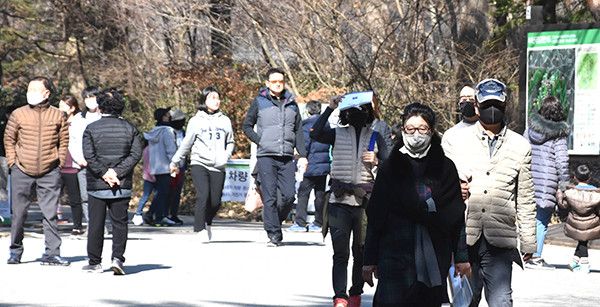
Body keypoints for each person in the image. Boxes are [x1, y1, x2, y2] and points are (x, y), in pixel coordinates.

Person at [442, 78, 537, 307]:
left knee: (502, 301)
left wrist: (529, 242)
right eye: (485, 105)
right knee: (466, 300)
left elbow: (525, 197)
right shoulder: (454, 140)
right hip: (463, 237)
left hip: (500, 238)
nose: (491, 110)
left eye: (496, 104)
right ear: (476, 106)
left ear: (505, 106)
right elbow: (440, 186)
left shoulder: (520, 145)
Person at [362, 103, 466, 306]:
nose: (416, 134)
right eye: (411, 129)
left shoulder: (445, 168)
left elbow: (456, 217)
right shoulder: (390, 169)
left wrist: (462, 257)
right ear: (402, 131)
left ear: (432, 131)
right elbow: (375, 217)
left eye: (422, 129)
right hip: (394, 254)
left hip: (435, 255)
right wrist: (369, 260)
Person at [310, 94, 390, 307]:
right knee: (341, 252)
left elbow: (391, 166)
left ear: (368, 112)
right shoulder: (337, 134)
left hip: (364, 203)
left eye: (363, 110)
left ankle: (355, 293)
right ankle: (340, 297)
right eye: (352, 110)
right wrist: (330, 108)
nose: (357, 114)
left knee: (360, 251)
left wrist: (377, 160)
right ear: (345, 113)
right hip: (339, 200)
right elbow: (315, 133)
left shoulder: (375, 137)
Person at [5, 76, 70, 265]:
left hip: (50, 170)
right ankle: (15, 251)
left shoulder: (58, 115)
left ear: (46, 93)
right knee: (19, 213)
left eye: (35, 89)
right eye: (29, 89)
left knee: (50, 213)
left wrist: (60, 163)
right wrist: (13, 163)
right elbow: (9, 139)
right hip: (22, 170)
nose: (30, 93)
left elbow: (63, 141)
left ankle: (51, 253)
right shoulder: (18, 113)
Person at [242, 68, 308, 246]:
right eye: (274, 81)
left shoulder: (292, 103)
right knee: (270, 196)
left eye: (281, 81)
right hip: (266, 156)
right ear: (267, 83)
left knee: (288, 196)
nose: (278, 84)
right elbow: (246, 126)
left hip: (286, 156)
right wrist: (260, 141)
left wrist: (302, 155)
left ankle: (274, 223)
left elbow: (298, 131)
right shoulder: (259, 102)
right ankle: (273, 233)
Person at [81, 88, 142, 274]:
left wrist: (104, 173)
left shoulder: (91, 129)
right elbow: (135, 154)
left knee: (96, 224)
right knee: (120, 223)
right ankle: (117, 258)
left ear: (99, 108)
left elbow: (89, 155)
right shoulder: (131, 129)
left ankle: (94, 261)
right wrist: (117, 172)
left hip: (97, 185)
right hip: (120, 184)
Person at [170, 87, 234, 243]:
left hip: (219, 165)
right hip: (200, 163)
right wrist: (175, 160)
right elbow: (187, 143)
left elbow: (230, 141)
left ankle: (207, 222)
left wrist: (226, 156)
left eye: (218, 98)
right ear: (204, 101)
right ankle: (199, 229)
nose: (216, 101)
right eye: (212, 98)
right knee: (203, 195)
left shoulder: (224, 120)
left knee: (215, 201)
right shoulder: (195, 120)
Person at [523, 95, 570, 270]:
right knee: (541, 220)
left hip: (528, 179)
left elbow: (522, 151)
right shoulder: (558, 134)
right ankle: (534, 257)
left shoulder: (529, 130)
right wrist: (564, 185)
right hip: (546, 183)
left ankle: (525, 253)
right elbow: (561, 161)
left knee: (528, 218)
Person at [286, 100, 330, 233]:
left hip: (310, 166)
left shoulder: (306, 125)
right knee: (320, 194)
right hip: (323, 166)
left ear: (307, 111)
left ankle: (300, 222)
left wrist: (298, 161)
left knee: (303, 194)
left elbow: (303, 146)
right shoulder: (327, 125)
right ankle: (318, 222)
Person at [70, 86, 102, 232]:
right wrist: (78, 159)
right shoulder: (78, 119)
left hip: (101, 165)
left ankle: (101, 225)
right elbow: (73, 142)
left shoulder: (104, 117)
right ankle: (92, 225)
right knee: (85, 196)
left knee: (101, 196)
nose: (90, 100)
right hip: (82, 164)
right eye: (87, 98)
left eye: (93, 97)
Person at [556, 164, 600, 274]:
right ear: (589, 177)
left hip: (575, 221)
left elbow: (563, 205)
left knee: (582, 240)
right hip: (591, 222)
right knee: (584, 240)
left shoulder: (570, 192)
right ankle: (584, 265)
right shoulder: (596, 193)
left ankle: (575, 260)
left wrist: (559, 193)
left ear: (575, 177)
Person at [143, 107, 178, 226]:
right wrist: (174, 163)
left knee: (160, 192)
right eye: (167, 115)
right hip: (166, 166)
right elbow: (171, 149)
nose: (169, 117)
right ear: (164, 117)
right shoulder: (167, 131)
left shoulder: (153, 131)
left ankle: (159, 216)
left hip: (156, 166)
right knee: (162, 193)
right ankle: (151, 214)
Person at [57, 95, 85, 239]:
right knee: (52, 197)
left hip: (73, 165)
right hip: (58, 165)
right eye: (59, 106)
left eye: (63, 106)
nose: (60, 109)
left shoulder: (79, 122)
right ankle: (50, 224)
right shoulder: (57, 121)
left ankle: (77, 226)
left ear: (72, 108)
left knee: (75, 199)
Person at [165, 109, 187, 225]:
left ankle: (174, 214)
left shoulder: (183, 132)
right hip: (170, 166)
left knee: (177, 192)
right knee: (168, 191)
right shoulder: (168, 132)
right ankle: (164, 213)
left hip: (181, 167)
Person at [441, 83, 478, 150]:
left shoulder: (489, 130)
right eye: (464, 99)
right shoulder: (450, 135)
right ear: (459, 104)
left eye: (471, 99)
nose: (467, 101)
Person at [131, 143, 156, 226]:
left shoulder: (146, 149)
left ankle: (140, 214)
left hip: (147, 175)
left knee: (146, 196)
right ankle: (138, 214)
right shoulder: (152, 150)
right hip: (151, 175)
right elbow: (149, 165)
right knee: (147, 196)